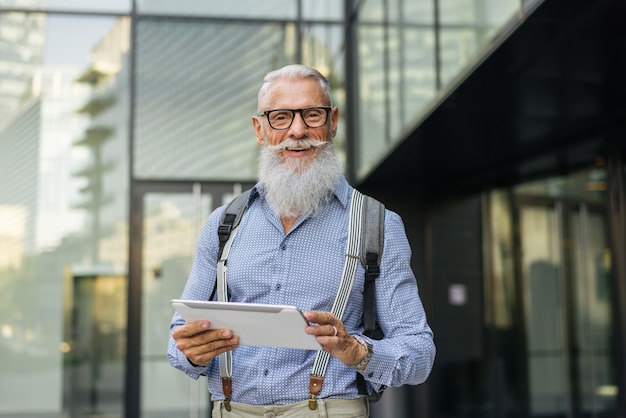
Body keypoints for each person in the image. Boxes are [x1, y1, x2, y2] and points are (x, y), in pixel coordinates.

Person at [167, 64, 435, 417]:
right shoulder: (224, 224)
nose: (298, 130)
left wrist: (357, 351)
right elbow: (179, 338)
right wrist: (190, 351)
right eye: (280, 117)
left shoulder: (378, 224)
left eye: (312, 114)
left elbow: (418, 352)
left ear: (333, 121)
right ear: (259, 129)